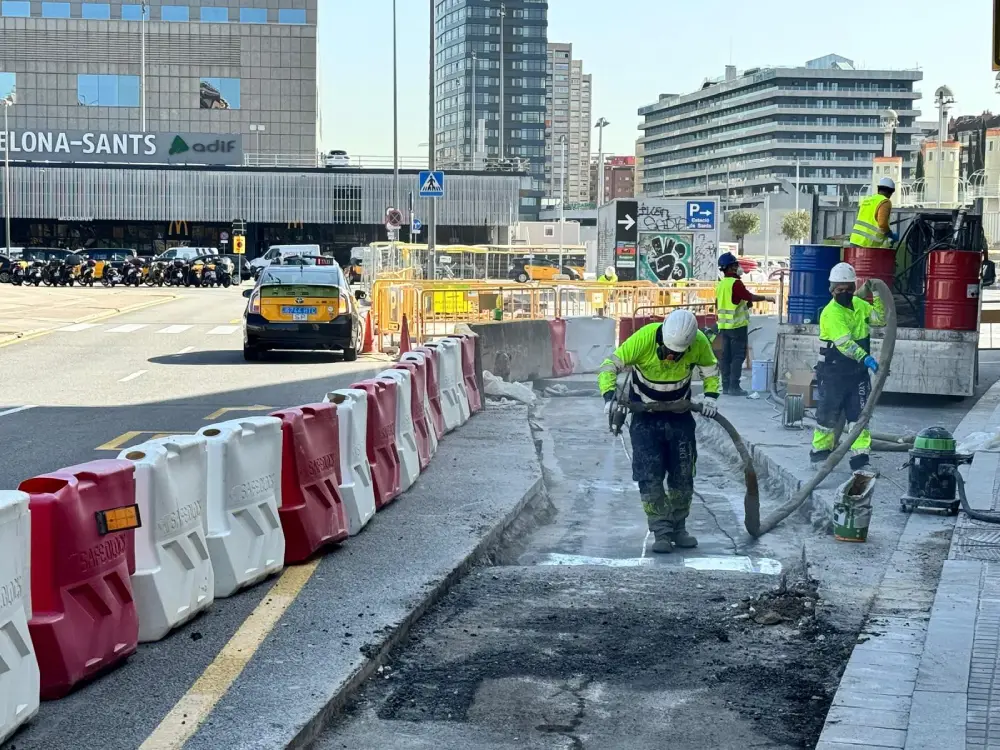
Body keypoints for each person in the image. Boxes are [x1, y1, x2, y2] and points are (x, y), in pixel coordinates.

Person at [598, 310, 721, 554]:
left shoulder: (698, 342)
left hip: (680, 417)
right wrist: (609, 397)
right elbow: (609, 366)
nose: (671, 356)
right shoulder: (643, 339)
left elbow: (710, 371)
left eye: (677, 353)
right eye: (668, 350)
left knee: (683, 475)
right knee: (649, 476)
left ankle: (679, 528)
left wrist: (711, 397)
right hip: (645, 418)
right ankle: (661, 531)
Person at [811, 262, 885, 471]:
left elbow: (879, 320)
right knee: (828, 415)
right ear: (832, 290)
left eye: (848, 289)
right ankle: (820, 455)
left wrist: (878, 296)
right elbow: (844, 344)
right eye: (839, 289)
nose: (844, 293)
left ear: (854, 288)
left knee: (860, 415)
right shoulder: (831, 313)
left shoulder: (860, 306)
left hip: (857, 372)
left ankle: (860, 461)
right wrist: (867, 359)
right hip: (834, 370)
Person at [715, 252, 773, 396]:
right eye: (736, 265)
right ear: (731, 267)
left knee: (726, 357)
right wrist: (767, 297)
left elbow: (724, 303)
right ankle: (735, 386)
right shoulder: (735, 283)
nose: (738, 267)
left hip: (724, 327)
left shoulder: (721, 284)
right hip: (737, 327)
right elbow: (749, 296)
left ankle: (726, 386)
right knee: (738, 357)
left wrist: (745, 305)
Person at [849, 177, 898, 248]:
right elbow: (882, 224)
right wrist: (890, 234)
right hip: (867, 244)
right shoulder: (885, 201)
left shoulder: (867, 200)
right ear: (889, 191)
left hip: (854, 240)